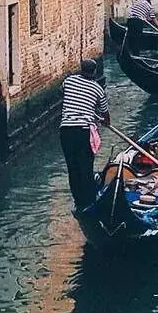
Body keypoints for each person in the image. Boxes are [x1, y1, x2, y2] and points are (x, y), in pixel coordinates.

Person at [59, 59, 109, 207]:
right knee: (86, 167)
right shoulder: (98, 89)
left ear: (81, 69)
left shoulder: (69, 81)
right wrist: (105, 121)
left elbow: (62, 92)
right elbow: (105, 113)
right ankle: (90, 201)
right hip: (83, 131)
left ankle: (79, 201)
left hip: (65, 130)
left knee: (73, 167)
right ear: (94, 72)